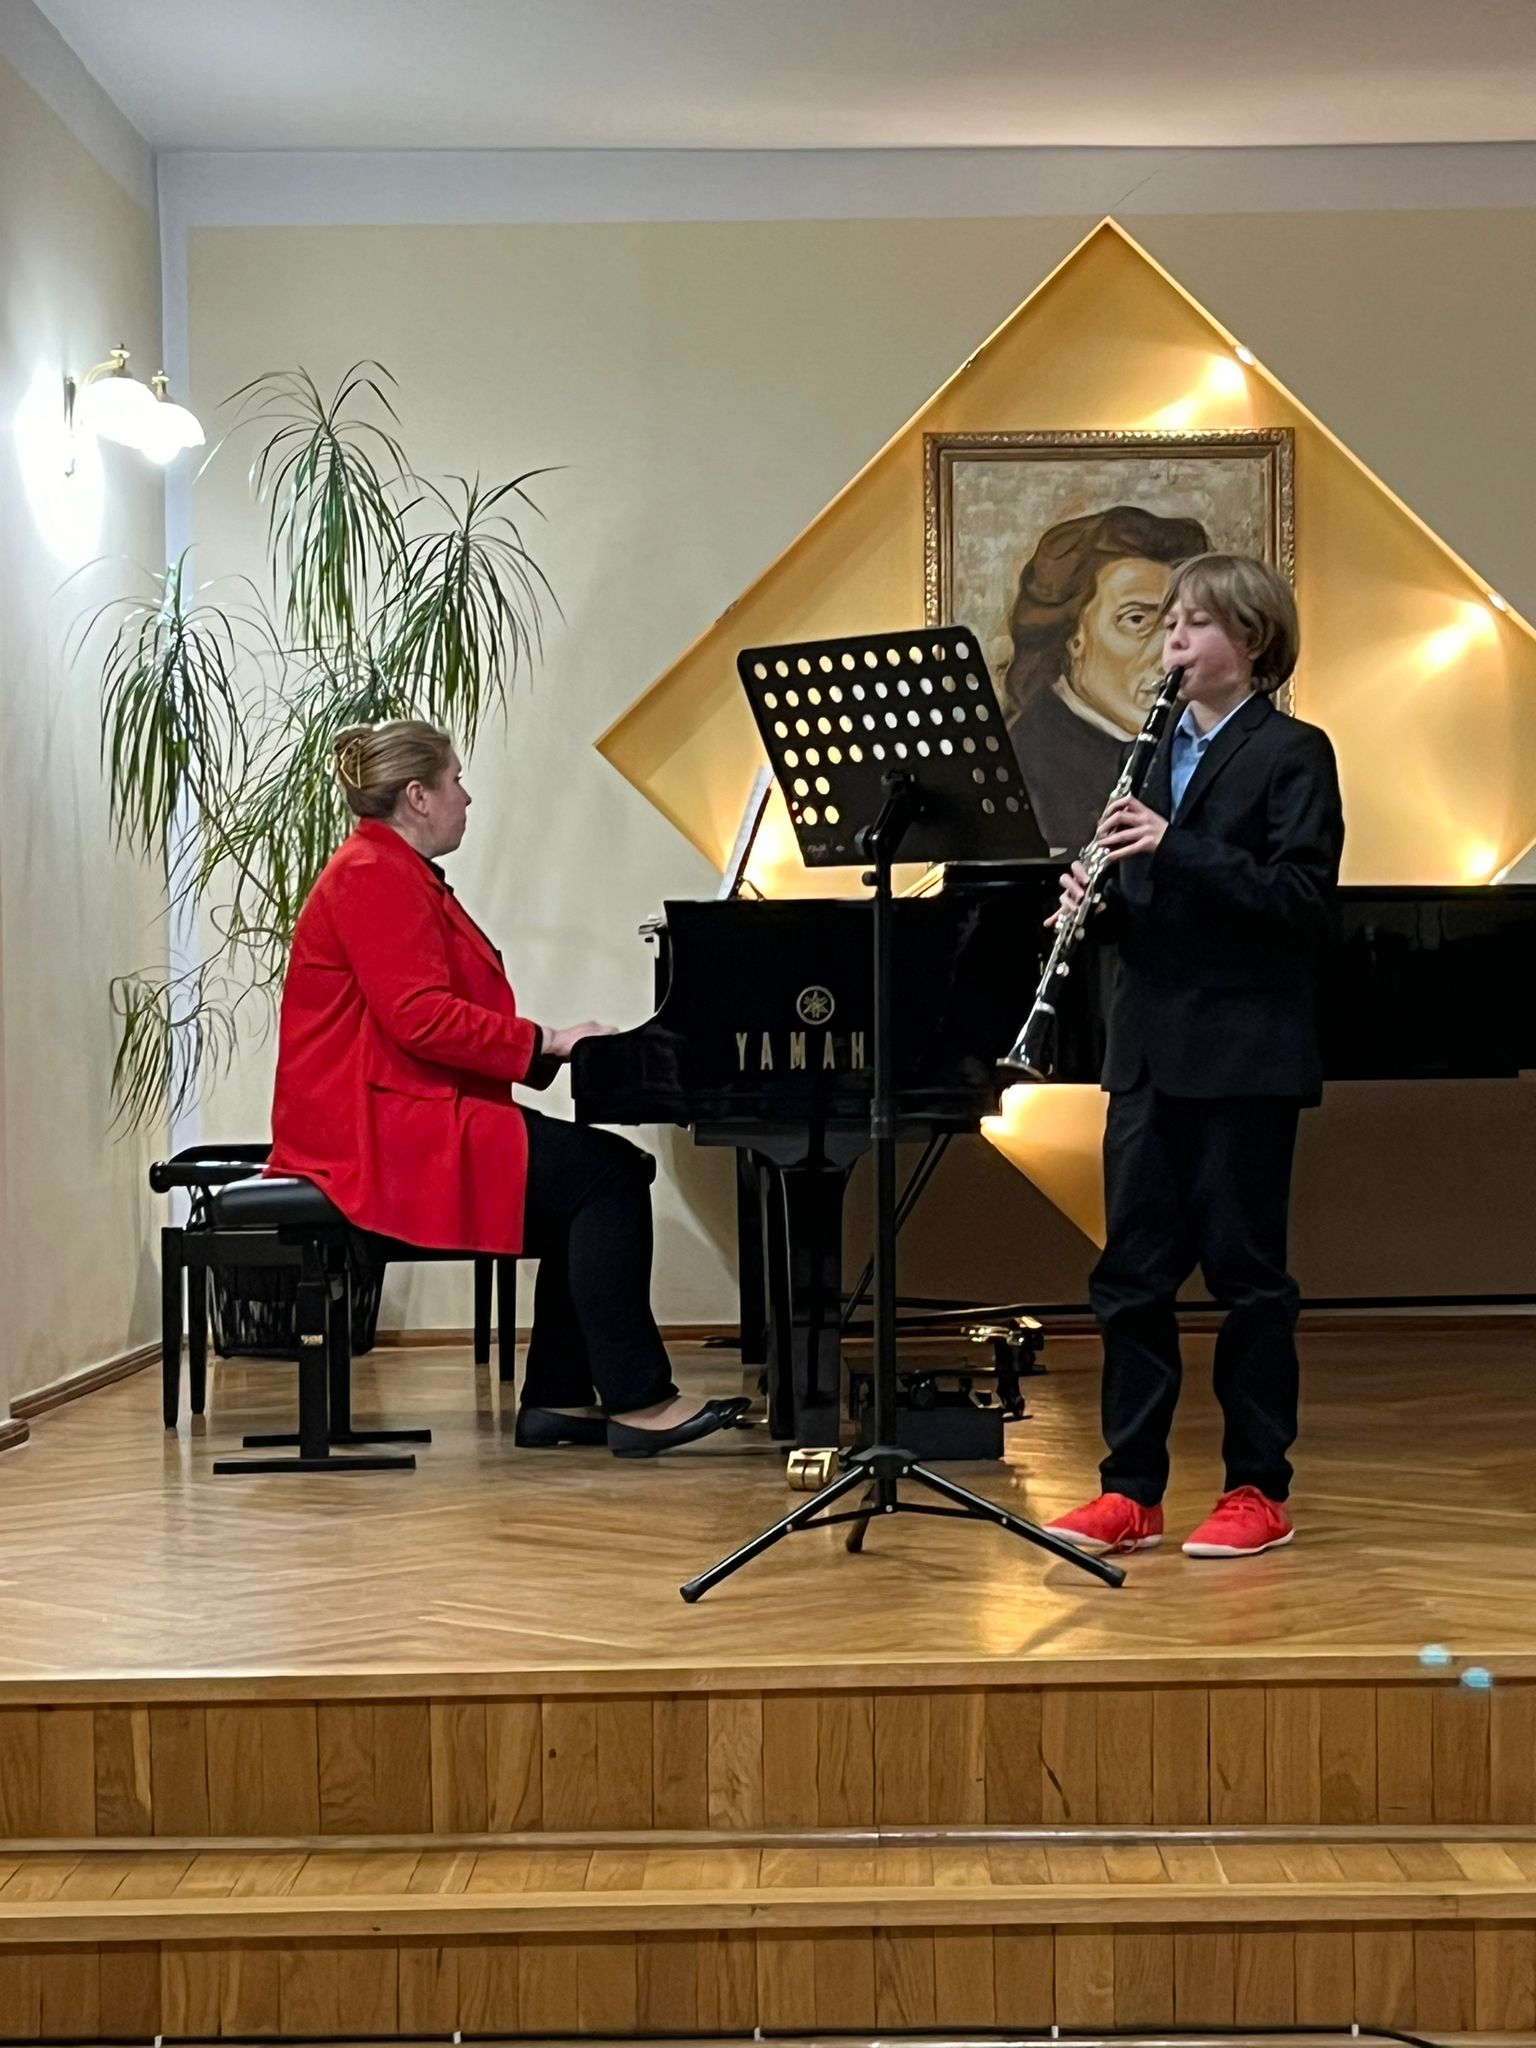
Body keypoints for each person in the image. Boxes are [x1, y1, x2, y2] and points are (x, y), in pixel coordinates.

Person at [266, 720, 745, 1458]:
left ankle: (558, 1399)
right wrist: (546, 1040)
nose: (466, 797)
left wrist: (544, 1043)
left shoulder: (389, 868)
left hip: (400, 1108)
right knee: (608, 1176)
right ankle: (638, 1400)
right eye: (455, 781)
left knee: (596, 1183)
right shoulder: (373, 874)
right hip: (376, 1128)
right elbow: (421, 1018)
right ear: (418, 796)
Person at [1042, 554, 1344, 1560]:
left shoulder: (1293, 752)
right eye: (1168, 621)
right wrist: (1094, 900)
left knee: (1249, 1280)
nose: (1175, 638)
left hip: (1242, 1054)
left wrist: (1172, 847)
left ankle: (1258, 1488)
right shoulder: (1148, 753)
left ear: (1251, 641)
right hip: (1147, 1051)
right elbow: (1149, 899)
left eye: (1198, 623)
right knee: (1130, 1278)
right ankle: (1130, 1490)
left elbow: (1301, 900)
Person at [1003, 504, 1209, 854]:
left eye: (1175, 625)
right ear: (1073, 637)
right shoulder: (1024, 762)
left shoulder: (1191, 743)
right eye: (1136, 620)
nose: (1168, 654)